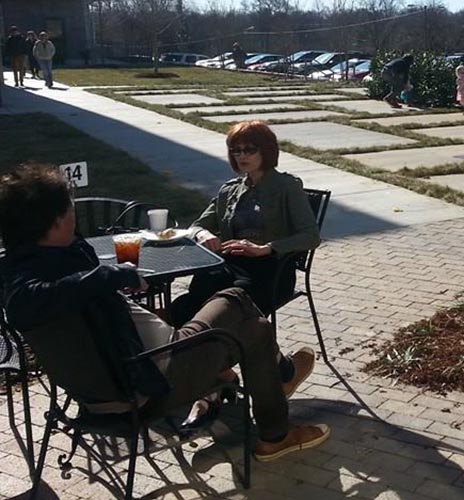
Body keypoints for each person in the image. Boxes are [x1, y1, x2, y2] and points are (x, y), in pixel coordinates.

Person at [0, 164, 330, 461]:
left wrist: (104, 279)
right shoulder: (33, 287)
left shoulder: (30, 264)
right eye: (69, 205)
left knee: (248, 325)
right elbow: (24, 303)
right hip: (156, 379)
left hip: (118, 379)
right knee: (236, 300)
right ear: (56, 219)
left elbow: (56, 288)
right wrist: (108, 275)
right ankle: (278, 396)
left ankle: (264, 404)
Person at [169, 120, 320, 328]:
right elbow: (196, 226)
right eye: (236, 150)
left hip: (270, 270)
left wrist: (264, 249)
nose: (242, 156)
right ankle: (191, 353)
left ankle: (220, 353)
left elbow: (311, 236)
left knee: (226, 308)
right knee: (187, 304)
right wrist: (203, 235)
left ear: (266, 150)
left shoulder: (287, 187)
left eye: (249, 149)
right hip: (231, 265)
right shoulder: (229, 190)